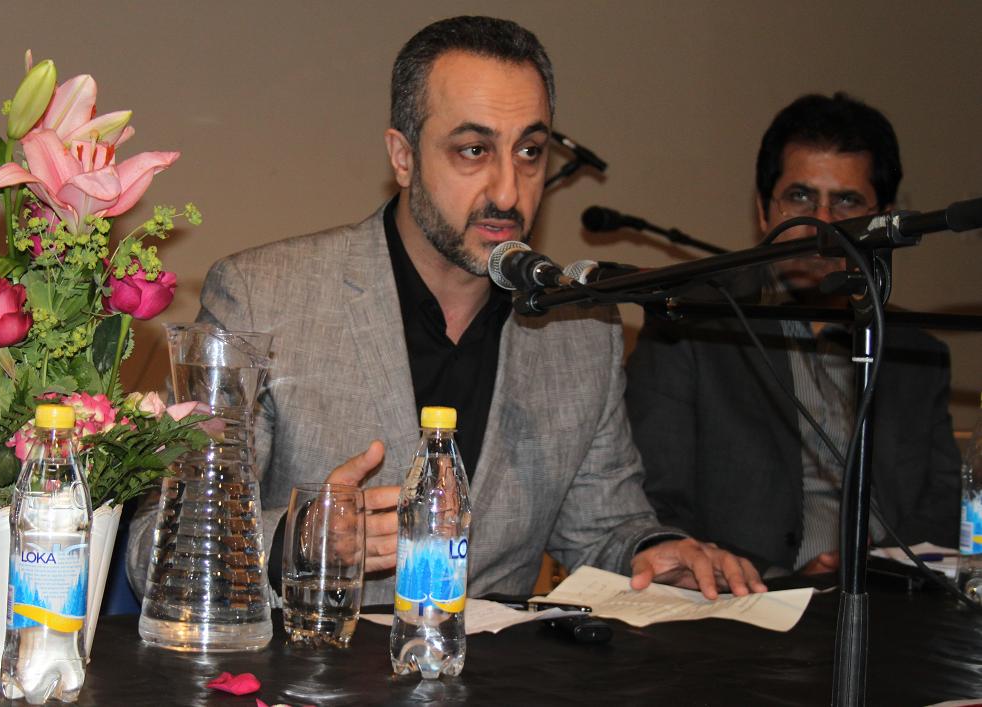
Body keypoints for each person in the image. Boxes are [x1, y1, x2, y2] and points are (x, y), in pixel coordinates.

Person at [128, 15, 765, 604]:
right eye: (473, 150)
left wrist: (657, 554)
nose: (508, 191)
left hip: (499, 673)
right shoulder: (264, 295)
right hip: (312, 667)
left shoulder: (580, 327)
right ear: (403, 157)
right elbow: (157, 545)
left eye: (529, 151)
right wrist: (295, 540)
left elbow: (605, 526)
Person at [625, 93, 961, 576]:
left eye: (847, 202)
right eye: (800, 197)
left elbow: (945, 508)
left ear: (884, 223)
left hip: (891, 600)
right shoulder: (691, 327)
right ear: (764, 210)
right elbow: (653, 507)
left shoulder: (917, 352)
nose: (821, 225)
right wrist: (775, 585)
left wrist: (873, 575)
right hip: (747, 602)